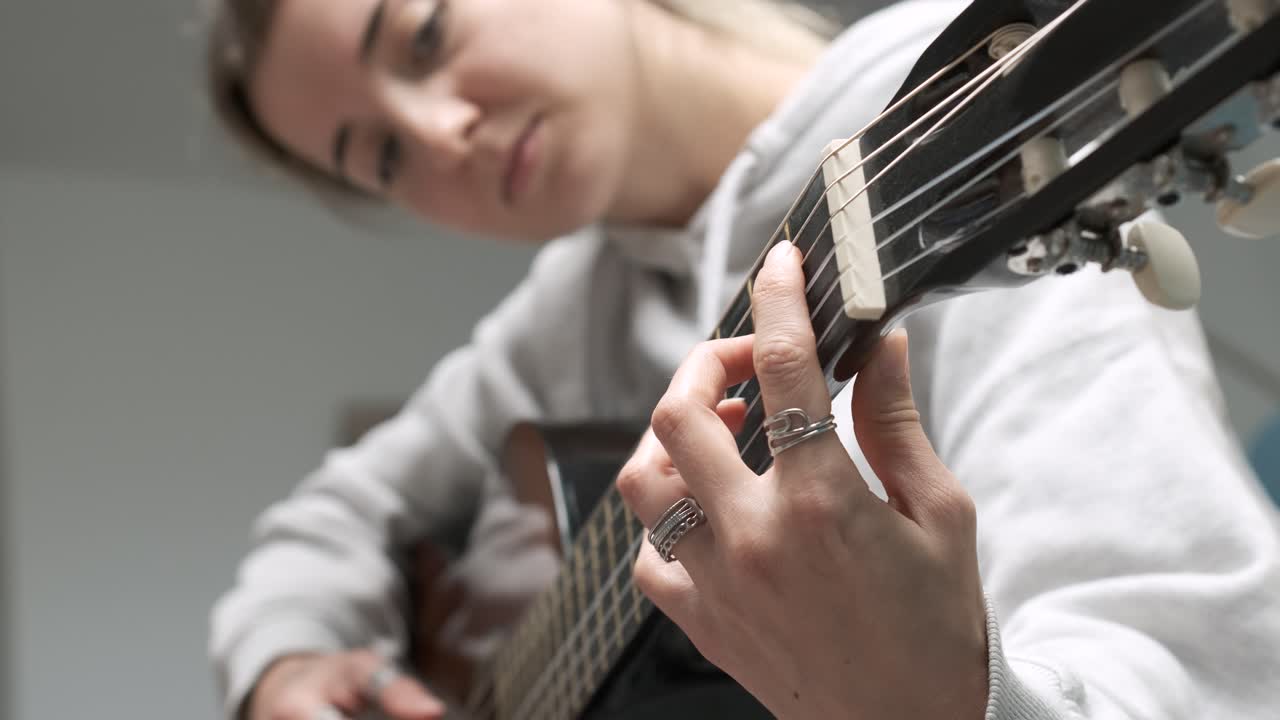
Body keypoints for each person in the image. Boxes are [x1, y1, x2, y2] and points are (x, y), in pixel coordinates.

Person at [204, 0, 1280, 718]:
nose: (438, 133)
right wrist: (282, 664)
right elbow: (333, 516)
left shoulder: (918, 129)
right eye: (381, 155)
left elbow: (1205, 669)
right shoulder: (574, 305)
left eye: (424, 34)